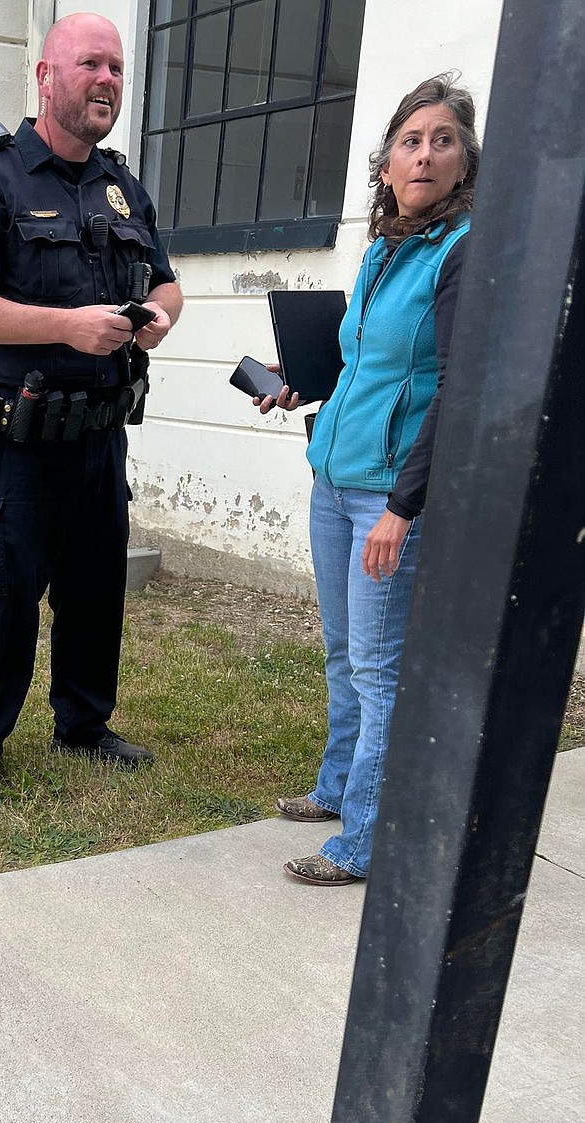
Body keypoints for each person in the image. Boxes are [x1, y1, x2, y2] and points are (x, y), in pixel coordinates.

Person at [0, 13, 184, 812]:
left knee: (96, 593)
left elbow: (165, 282)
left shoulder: (121, 185)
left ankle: (84, 726)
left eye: (116, 68)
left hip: (100, 436)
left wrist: (163, 315)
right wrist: (67, 327)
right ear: (45, 76)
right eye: (89, 65)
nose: (106, 80)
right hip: (22, 439)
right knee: (6, 597)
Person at [256, 73, 479, 884]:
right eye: (411, 141)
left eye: (442, 140)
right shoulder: (386, 247)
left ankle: (365, 842)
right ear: (386, 163)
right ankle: (337, 791)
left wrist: (404, 508)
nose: (424, 154)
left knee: (381, 669)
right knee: (346, 652)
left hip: (389, 495)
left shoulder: (460, 253)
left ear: (464, 162)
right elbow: (364, 360)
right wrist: (298, 374)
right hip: (334, 480)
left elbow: (457, 388)